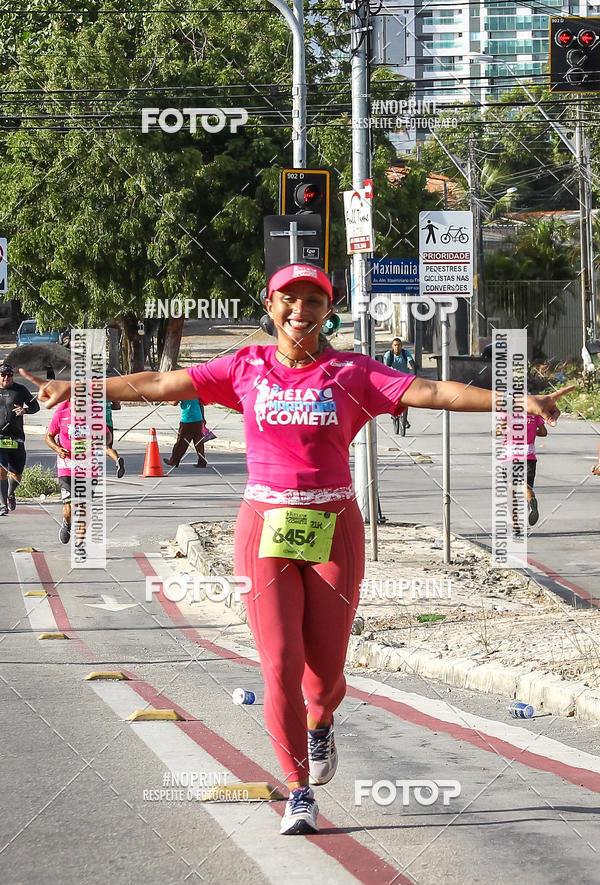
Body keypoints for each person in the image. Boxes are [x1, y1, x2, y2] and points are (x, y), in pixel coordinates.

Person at [21, 263, 573, 836]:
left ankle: (321, 719)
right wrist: (79, 387)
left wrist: (515, 398)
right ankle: (298, 788)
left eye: (313, 302)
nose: (300, 312)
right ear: (270, 304)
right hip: (264, 528)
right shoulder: (245, 367)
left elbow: (433, 391)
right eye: (289, 300)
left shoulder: (351, 373)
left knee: (326, 670)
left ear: (327, 311)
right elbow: (162, 386)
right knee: (280, 662)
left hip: (336, 526)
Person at [45, 399, 111, 544]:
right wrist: (57, 448)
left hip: (88, 468)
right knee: (69, 508)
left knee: (83, 506)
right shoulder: (61, 416)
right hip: (67, 466)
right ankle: (67, 523)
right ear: (70, 401)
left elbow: (107, 435)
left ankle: (80, 542)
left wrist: (101, 441)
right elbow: (49, 436)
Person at [0, 363, 40, 515]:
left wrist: (25, 410)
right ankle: (3, 504)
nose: (6, 378)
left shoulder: (20, 390)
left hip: (15, 437)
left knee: (16, 473)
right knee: (1, 470)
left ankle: (10, 493)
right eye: (3, 374)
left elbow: (36, 406)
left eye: (9, 375)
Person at [497, 409, 547, 529]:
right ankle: (531, 501)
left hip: (510, 455)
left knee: (511, 490)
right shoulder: (534, 415)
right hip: (528, 455)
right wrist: (531, 431)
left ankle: (515, 524)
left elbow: (500, 430)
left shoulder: (506, 412)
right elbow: (544, 432)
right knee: (526, 486)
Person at [384, 338, 416, 435]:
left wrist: (414, 374)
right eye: (395, 345)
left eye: (399, 345)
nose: (397, 347)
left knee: (406, 400)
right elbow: (386, 367)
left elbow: (411, 363)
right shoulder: (388, 355)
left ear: (401, 346)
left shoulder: (406, 353)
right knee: (391, 399)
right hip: (393, 380)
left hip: (404, 379)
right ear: (392, 346)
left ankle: (404, 419)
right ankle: (393, 414)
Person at [163, 398, 207, 468]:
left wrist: (166, 400)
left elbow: (174, 403)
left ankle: (174, 461)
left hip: (187, 420)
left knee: (181, 442)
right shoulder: (195, 392)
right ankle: (202, 461)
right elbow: (201, 405)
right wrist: (203, 418)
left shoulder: (181, 392)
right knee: (198, 443)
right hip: (198, 419)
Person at [105, 400, 125, 478]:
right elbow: (117, 406)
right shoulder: (110, 391)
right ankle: (117, 459)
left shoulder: (87, 391)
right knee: (107, 447)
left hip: (94, 422)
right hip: (108, 423)